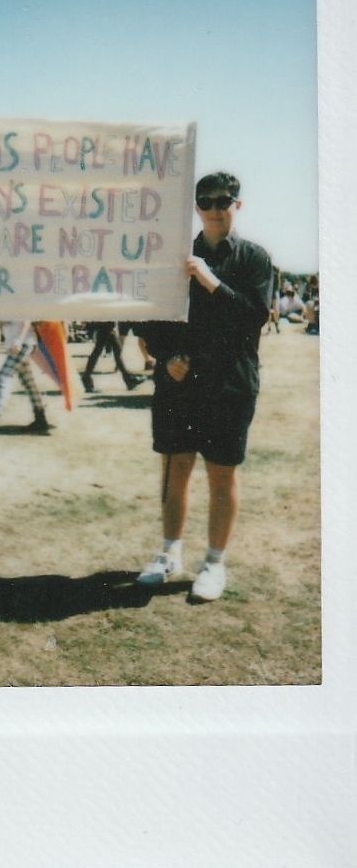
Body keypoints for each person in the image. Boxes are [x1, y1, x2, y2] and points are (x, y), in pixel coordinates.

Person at [136, 172, 272, 601]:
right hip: (180, 382)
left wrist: (209, 280)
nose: (215, 208)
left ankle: (214, 563)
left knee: (221, 474)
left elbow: (253, 317)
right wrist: (164, 357)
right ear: (195, 206)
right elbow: (151, 320)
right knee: (175, 469)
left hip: (230, 382)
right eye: (206, 201)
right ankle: (169, 552)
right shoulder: (175, 253)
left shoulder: (254, 258)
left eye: (223, 201)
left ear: (237, 205)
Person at [0, 321, 51, 437]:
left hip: (22, 344)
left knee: (3, 376)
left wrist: (19, 340)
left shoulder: (18, 302)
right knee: (28, 381)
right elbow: (4, 318)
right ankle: (41, 419)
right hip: (22, 343)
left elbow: (26, 320)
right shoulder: (6, 304)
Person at [80, 321, 145, 393]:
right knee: (108, 349)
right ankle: (128, 379)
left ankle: (128, 379)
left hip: (105, 322)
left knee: (104, 348)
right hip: (105, 321)